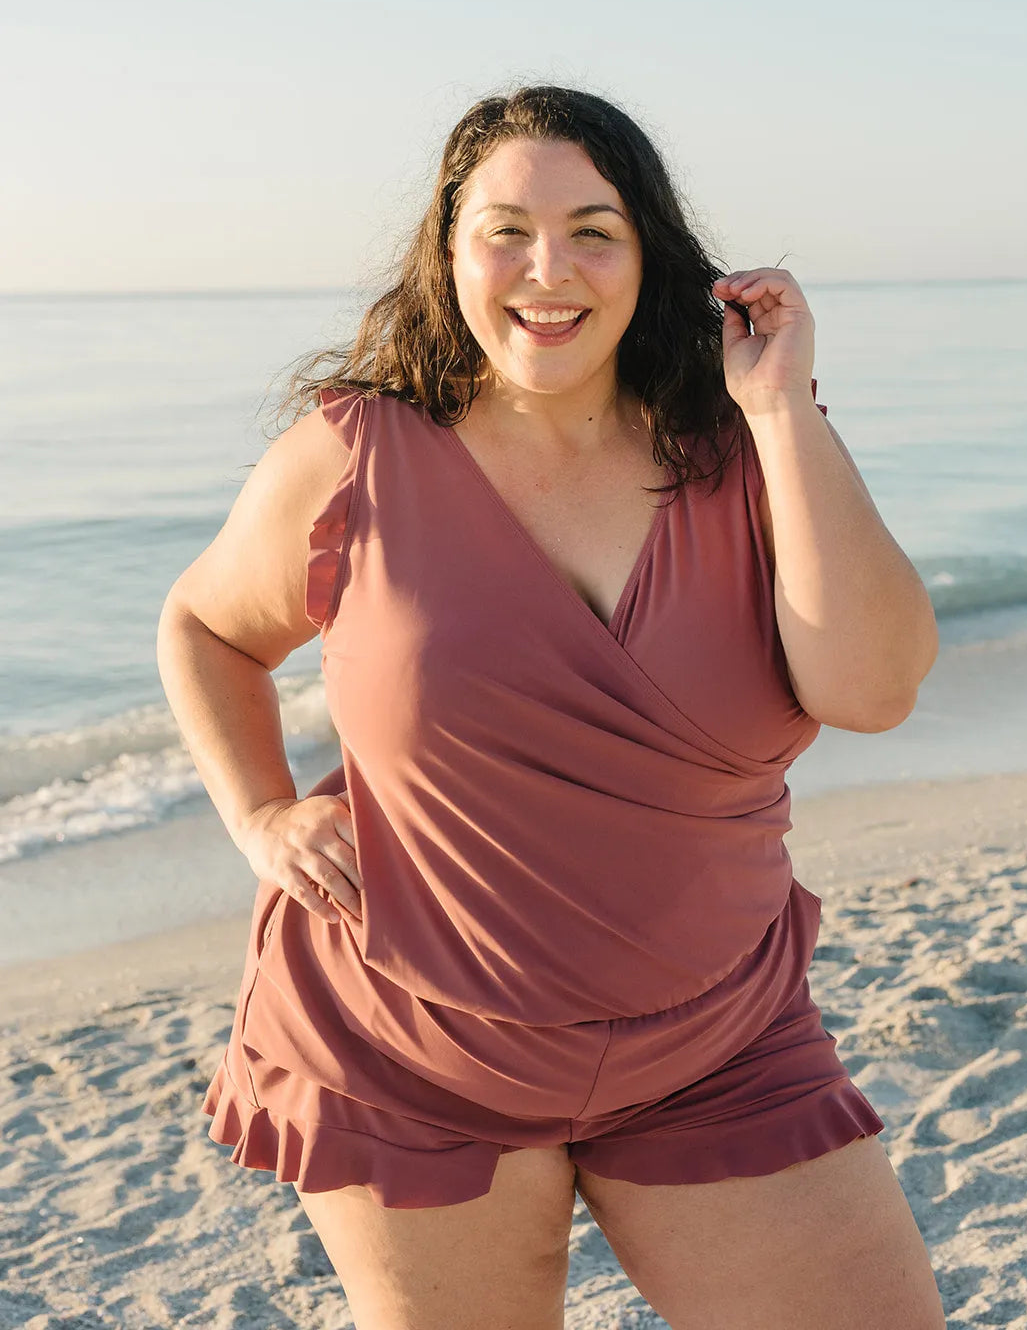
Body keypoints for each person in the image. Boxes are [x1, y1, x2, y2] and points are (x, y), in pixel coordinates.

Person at [156, 84, 946, 1329]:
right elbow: (204, 626)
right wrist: (260, 814)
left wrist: (783, 409)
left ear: (650, 256)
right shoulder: (355, 455)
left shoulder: (747, 450)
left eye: (594, 228)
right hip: (410, 1048)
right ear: (450, 253)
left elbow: (874, 687)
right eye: (506, 231)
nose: (548, 268)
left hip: (720, 1046)